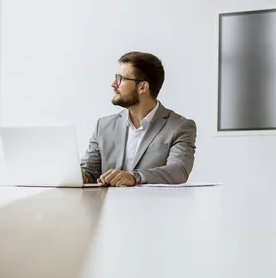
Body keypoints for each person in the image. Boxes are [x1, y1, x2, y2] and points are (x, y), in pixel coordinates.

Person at [80, 52, 197, 187]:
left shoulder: (180, 126)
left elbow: (178, 170)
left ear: (143, 87)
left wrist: (135, 177)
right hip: (109, 206)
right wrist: (79, 176)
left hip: (154, 205)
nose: (113, 84)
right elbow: (89, 171)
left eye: (120, 79)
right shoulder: (104, 126)